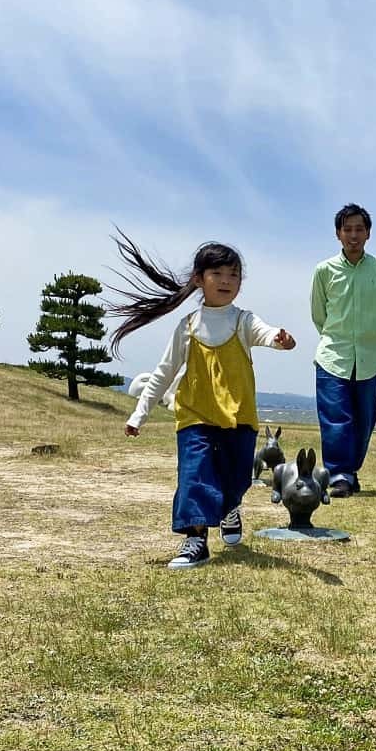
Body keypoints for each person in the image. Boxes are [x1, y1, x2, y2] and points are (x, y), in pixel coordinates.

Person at [110, 233, 296, 569]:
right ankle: (195, 540)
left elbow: (268, 333)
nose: (227, 281)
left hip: (238, 418)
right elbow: (163, 373)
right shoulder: (188, 326)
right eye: (218, 274)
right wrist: (139, 414)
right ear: (199, 279)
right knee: (194, 476)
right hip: (194, 416)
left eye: (234, 275)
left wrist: (281, 339)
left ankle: (229, 507)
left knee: (236, 478)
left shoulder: (243, 321)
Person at [310, 203, 376, 497]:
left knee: (364, 419)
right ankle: (338, 474)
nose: (353, 235)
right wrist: (338, 336)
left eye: (359, 229)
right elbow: (318, 314)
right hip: (333, 354)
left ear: (368, 233)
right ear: (338, 234)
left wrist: (368, 334)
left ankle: (349, 470)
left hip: (370, 356)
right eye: (348, 230)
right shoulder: (324, 270)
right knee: (336, 416)